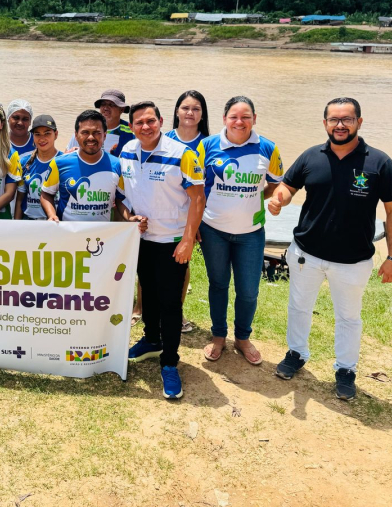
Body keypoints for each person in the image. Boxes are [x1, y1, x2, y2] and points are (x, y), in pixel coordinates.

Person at [269, 97, 392, 400]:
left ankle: (345, 369)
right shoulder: (310, 156)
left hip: (353, 260)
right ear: (325, 123)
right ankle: (296, 353)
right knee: (299, 307)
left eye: (347, 119)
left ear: (359, 122)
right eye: (334, 119)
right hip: (306, 254)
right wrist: (279, 199)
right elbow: (287, 187)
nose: (340, 125)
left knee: (348, 317)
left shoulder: (379, 162)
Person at [118, 101, 205, 399]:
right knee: (149, 294)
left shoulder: (182, 154)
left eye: (151, 121)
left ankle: (169, 361)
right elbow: (122, 196)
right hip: (142, 241)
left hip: (171, 242)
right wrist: (130, 217)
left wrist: (187, 239)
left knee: (170, 304)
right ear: (131, 126)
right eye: (139, 122)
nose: (145, 126)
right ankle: (151, 340)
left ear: (161, 121)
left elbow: (197, 199)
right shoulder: (127, 151)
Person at [197, 96, 284, 366]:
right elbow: (196, 186)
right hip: (213, 230)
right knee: (219, 284)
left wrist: (273, 198)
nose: (239, 122)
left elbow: (277, 183)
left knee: (248, 291)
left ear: (254, 119)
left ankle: (243, 338)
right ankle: (219, 336)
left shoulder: (268, 148)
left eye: (246, 117)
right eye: (234, 116)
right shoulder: (206, 146)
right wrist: (195, 224)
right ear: (224, 119)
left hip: (251, 233)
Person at [133, 90, 210, 332]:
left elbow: (203, 191)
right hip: (157, 222)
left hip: (190, 217)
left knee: (179, 267)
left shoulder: (207, 143)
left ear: (203, 114)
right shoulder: (158, 139)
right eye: (185, 108)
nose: (190, 113)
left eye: (196, 109)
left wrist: (193, 229)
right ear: (175, 112)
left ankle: (177, 313)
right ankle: (142, 309)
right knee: (147, 269)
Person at [41, 110, 126, 222]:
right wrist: (51, 215)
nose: (91, 137)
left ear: (104, 135)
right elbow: (46, 194)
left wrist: (130, 218)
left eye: (96, 132)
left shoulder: (117, 164)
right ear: (76, 135)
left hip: (102, 236)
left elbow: (120, 200)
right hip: (67, 233)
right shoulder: (59, 163)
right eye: (85, 132)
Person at [15, 114, 62, 220]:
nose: (42, 139)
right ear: (33, 136)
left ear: (56, 134)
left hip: (54, 222)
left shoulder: (63, 161)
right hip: (28, 220)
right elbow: (20, 198)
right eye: (38, 134)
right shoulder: (24, 162)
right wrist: (17, 224)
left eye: (47, 133)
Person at [65, 89, 134, 157]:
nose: (106, 108)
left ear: (122, 109)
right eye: (103, 104)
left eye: (111, 105)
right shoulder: (84, 129)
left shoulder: (131, 132)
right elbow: (66, 155)